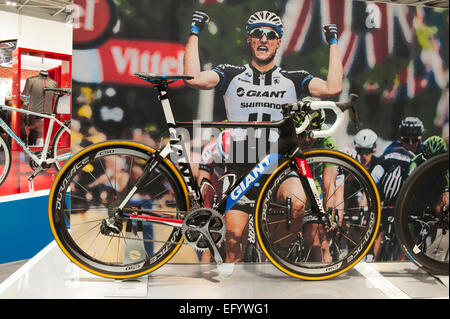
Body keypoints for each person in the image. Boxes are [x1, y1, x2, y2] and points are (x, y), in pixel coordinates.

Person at [184, 10, 343, 262]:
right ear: (249, 39)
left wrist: (333, 43)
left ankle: (275, 253)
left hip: (278, 163)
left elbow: (333, 88)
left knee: (299, 204)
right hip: (241, 162)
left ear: (278, 42)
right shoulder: (231, 73)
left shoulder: (293, 78)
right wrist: (194, 32)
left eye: (271, 35)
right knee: (234, 244)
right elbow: (193, 79)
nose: (263, 39)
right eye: (257, 34)